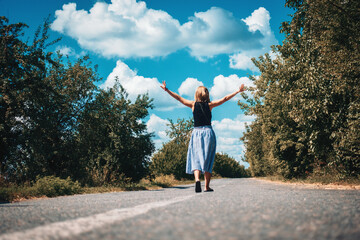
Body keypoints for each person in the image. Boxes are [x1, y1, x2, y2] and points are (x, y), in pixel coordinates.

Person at [160, 81, 245, 193]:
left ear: (197, 94)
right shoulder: (210, 105)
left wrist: (167, 90)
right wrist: (238, 91)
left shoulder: (192, 105)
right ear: (206, 94)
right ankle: (206, 186)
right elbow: (224, 99)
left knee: (196, 158)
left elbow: (179, 98)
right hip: (208, 132)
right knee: (208, 159)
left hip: (196, 133)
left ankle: (197, 180)